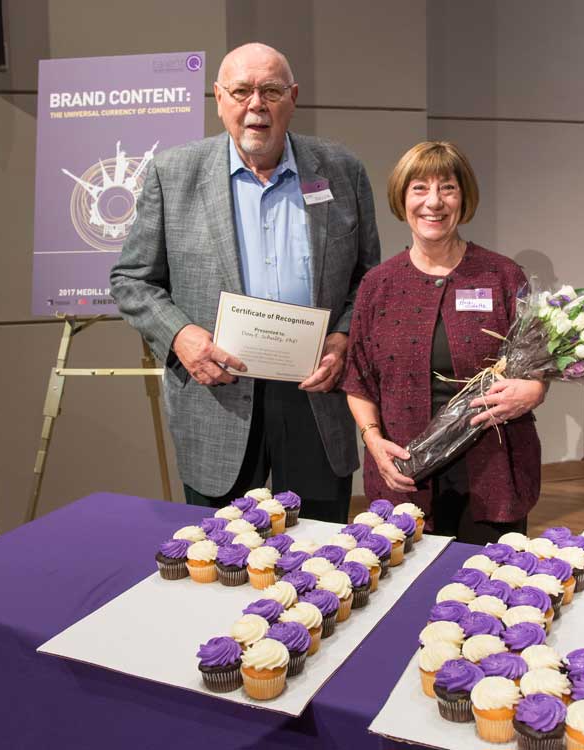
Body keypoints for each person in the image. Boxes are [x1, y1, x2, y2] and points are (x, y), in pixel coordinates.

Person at [111, 43, 380, 522]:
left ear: (292, 97)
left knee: (322, 552)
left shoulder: (342, 170)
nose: (256, 104)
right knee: (221, 554)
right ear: (219, 98)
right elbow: (132, 280)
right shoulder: (172, 174)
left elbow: (368, 279)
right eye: (241, 91)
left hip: (316, 389)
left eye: (271, 90)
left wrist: (342, 338)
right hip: (218, 390)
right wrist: (180, 336)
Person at [341, 141, 545, 544]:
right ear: (402, 198)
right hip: (405, 471)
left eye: (447, 188)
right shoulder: (378, 285)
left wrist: (535, 390)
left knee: (490, 590)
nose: (433, 202)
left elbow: (536, 363)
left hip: (492, 470)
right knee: (406, 593)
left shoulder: (503, 275)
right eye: (419, 188)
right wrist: (373, 440)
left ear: (463, 197)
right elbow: (357, 378)